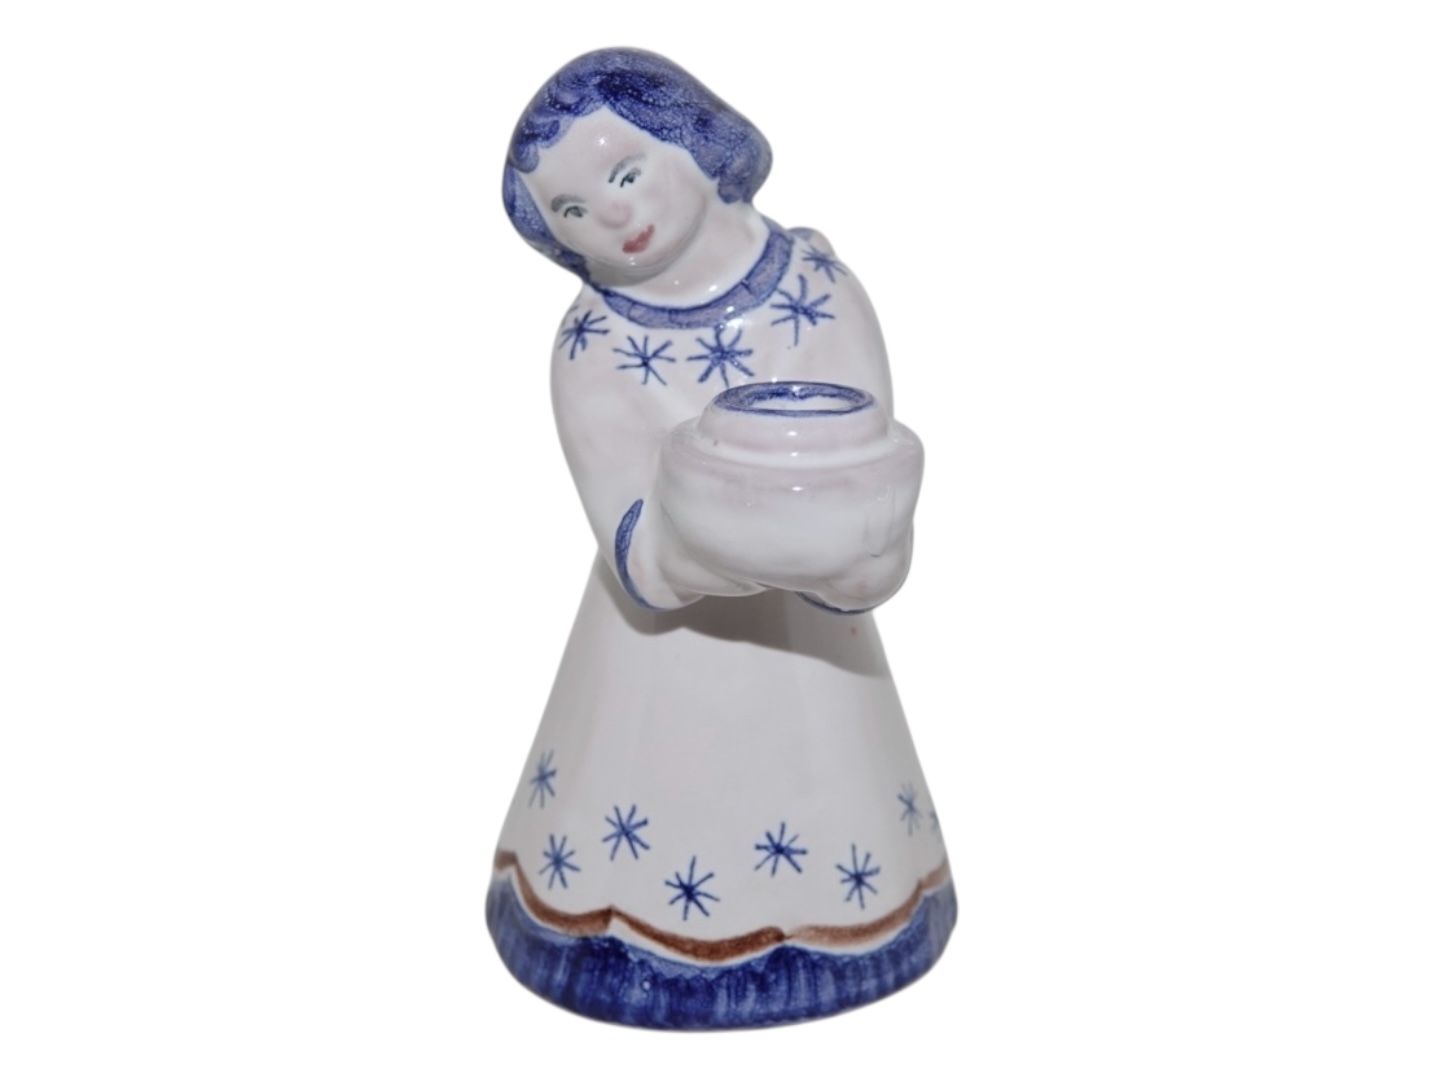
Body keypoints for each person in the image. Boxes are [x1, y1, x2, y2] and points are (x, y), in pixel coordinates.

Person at [487, 47, 954, 1029]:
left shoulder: (816, 286)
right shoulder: (592, 344)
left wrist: (854, 540)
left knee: (835, 793)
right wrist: (711, 524)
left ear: (695, 142)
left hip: (813, 634)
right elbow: (636, 543)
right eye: (572, 210)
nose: (612, 216)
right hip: (658, 651)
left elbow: (867, 457)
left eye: (625, 174)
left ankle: (840, 927)